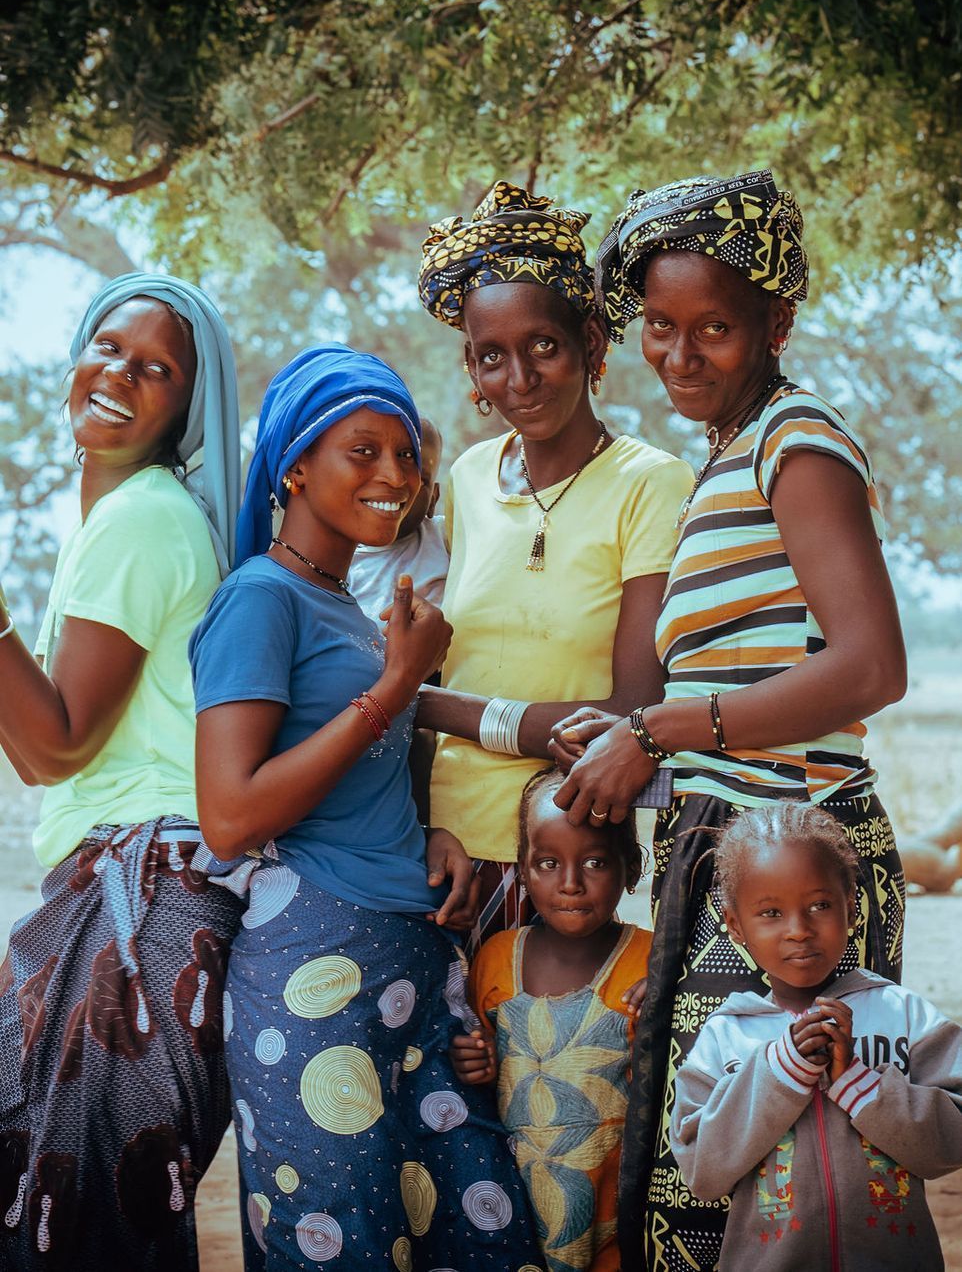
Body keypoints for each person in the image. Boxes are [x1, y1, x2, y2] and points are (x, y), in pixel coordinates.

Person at [550, 170, 907, 1271]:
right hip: (734, 854)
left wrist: (657, 729)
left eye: (712, 326)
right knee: (712, 1187)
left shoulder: (793, 441)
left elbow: (870, 664)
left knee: (770, 1207)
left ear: (773, 323)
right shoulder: (723, 460)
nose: (679, 353)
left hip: (796, 868)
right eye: (658, 326)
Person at [188, 343, 545, 1270]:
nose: (396, 476)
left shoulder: (341, 602)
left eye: (406, 454)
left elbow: (341, 773)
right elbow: (231, 816)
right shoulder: (258, 600)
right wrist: (396, 684)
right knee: (340, 1247)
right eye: (364, 452)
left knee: (482, 1235)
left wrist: (428, 830)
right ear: (295, 466)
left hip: (413, 960)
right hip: (314, 969)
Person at [0, 273, 242, 1270]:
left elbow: (55, 743)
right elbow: (45, 750)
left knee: (85, 1227)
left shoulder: (144, 518)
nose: (120, 374)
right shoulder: (119, 518)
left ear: (183, 409)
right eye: (107, 346)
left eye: (156, 368)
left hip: (142, 898)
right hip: (131, 890)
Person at [417, 179, 693, 953]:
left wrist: (430, 704)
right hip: (446, 856)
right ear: (471, 371)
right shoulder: (468, 480)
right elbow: (440, 659)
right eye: (492, 358)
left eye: (543, 345)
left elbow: (628, 710)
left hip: (567, 852)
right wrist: (440, 804)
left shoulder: (651, 483)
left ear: (592, 345)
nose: (520, 379)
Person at [671, 801, 962, 1271]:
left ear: (851, 905)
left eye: (820, 905)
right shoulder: (725, 1037)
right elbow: (702, 1172)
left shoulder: (900, 1013)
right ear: (735, 925)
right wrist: (778, 1071)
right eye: (770, 912)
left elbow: (954, 1141)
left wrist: (858, 1083)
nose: (799, 930)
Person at [452, 766, 652, 1272]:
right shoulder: (497, 958)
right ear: (521, 869)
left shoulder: (650, 962)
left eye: (594, 862)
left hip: (614, 1213)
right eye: (547, 863)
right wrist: (475, 1063)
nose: (570, 884)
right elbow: (482, 1067)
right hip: (512, 1208)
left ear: (631, 866)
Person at [349, 416, 448, 621]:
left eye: (421, 480)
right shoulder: (334, 562)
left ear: (433, 499)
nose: (395, 481)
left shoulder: (445, 540)